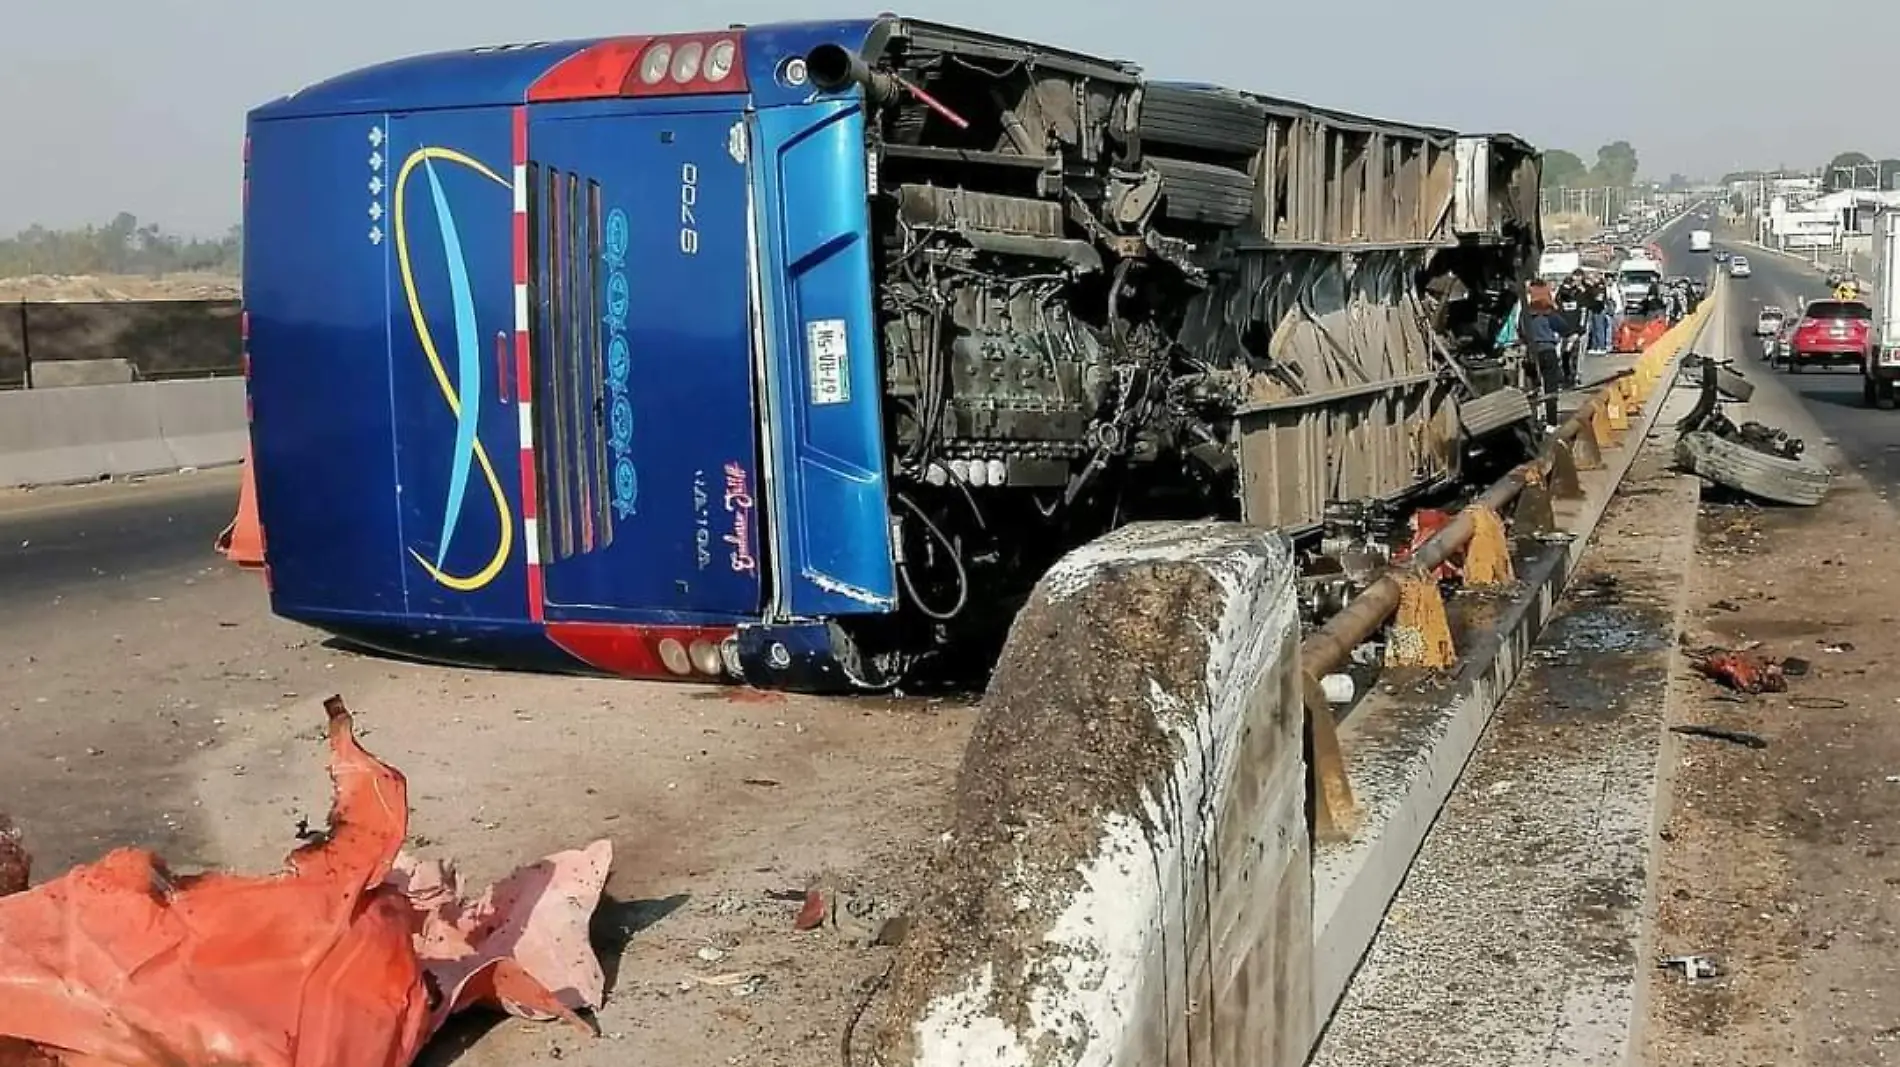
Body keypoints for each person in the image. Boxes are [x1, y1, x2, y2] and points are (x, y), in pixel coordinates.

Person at [1518, 280, 1580, 428]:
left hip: (1531, 354)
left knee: (1532, 389)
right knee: (1551, 388)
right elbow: (1566, 330)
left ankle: (1533, 420)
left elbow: (1521, 332)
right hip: (1548, 351)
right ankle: (1551, 423)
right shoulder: (1549, 312)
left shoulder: (1525, 313)